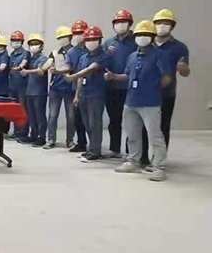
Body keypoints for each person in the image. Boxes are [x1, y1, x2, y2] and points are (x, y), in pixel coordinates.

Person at [110, 20, 172, 181]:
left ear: (152, 37)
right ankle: (133, 160)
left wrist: (153, 89)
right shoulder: (132, 56)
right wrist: (113, 76)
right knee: (132, 133)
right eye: (139, 34)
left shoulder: (160, 55)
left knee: (155, 136)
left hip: (150, 102)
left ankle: (158, 167)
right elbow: (127, 75)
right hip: (131, 101)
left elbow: (167, 77)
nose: (142, 37)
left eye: (146, 34)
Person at [141, 9, 190, 164]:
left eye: (166, 23)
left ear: (172, 26)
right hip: (145, 93)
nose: (162, 26)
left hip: (166, 93)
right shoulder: (146, 43)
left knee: (162, 127)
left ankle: (159, 160)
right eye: (159, 23)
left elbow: (185, 72)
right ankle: (142, 158)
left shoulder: (179, 47)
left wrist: (183, 69)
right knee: (143, 127)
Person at [67, 26, 112, 163]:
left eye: (94, 39)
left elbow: (90, 69)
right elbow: (81, 78)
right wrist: (77, 95)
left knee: (95, 123)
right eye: (88, 40)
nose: (90, 42)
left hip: (96, 94)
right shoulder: (84, 57)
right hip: (84, 94)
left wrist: (73, 76)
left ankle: (95, 150)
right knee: (86, 122)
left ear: (100, 40)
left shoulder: (104, 56)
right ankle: (91, 148)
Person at [103, 9, 137, 158]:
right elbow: (103, 61)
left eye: (124, 22)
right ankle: (114, 148)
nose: (120, 25)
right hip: (111, 87)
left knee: (132, 122)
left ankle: (131, 152)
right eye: (117, 22)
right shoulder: (109, 43)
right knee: (114, 120)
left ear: (129, 24)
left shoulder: (136, 41)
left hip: (130, 88)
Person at [44, 26, 76, 149]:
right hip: (55, 88)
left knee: (71, 116)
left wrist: (58, 71)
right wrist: (43, 68)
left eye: (64, 37)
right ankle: (51, 139)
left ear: (70, 37)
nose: (62, 39)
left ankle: (70, 140)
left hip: (70, 89)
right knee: (52, 115)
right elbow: (48, 63)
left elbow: (74, 67)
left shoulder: (75, 52)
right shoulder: (55, 53)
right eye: (60, 38)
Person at [64, 20, 89, 153]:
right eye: (76, 33)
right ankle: (81, 142)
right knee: (77, 118)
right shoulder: (72, 52)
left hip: (92, 89)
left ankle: (95, 147)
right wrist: (59, 69)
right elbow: (68, 66)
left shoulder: (93, 50)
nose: (79, 35)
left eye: (81, 32)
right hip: (75, 88)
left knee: (91, 120)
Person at [19, 33, 48, 146]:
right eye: (31, 44)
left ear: (41, 46)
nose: (33, 46)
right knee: (31, 115)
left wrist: (27, 72)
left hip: (39, 91)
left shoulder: (43, 58)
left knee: (40, 115)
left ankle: (42, 137)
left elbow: (40, 71)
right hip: (30, 91)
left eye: (36, 44)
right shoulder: (31, 58)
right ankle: (33, 135)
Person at [8, 31, 29, 140]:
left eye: (17, 40)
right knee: (14, 109)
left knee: (22, 109)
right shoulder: (12, 54)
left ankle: (23, 132)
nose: (15, 42)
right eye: (13, 40)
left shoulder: (25, 53)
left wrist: (20, 67)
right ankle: (16, 131)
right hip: (12, 85)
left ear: (22, 42)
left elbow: (24, 62)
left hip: (22, 86)